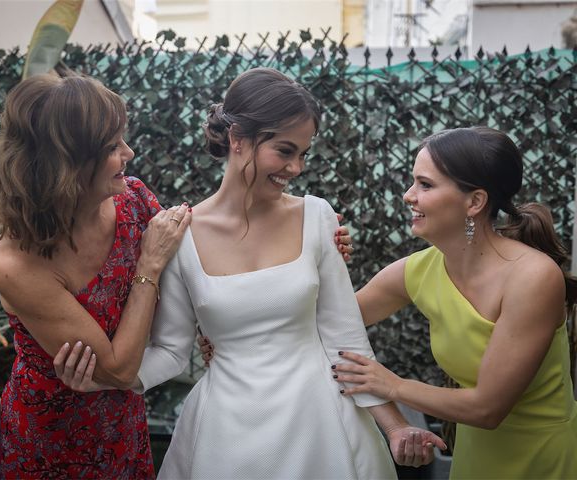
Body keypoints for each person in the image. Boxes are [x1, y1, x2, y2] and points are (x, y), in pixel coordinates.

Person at [56, 67, 446, 479]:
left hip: (323, 424)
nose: (296, 167)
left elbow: (345, 339)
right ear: (237, 138)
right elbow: (171, 352)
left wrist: (396, 426)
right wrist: (103, 380)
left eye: (303, 153)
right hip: (227, 436)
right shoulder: (178, 236)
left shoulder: (318, 218)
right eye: (284, 150)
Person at [331, 127, 577, 478]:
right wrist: (322, 260)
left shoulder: (533, 277)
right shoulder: (416, 271)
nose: (408, 195)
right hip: (475, 458)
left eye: (425, 185)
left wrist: (392, 384)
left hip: (544, 460)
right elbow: (331, 321)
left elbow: (488, 408)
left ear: (474, 202)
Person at [0, 73, 192, 478]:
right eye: (113, 146)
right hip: (53, 440)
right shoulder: (17, 263)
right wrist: (149, 266)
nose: (130, 153)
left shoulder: (134, 200)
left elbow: (200, 259)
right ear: (67, 164)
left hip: (123, 420)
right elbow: (118, 368)